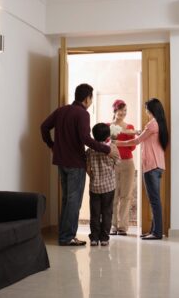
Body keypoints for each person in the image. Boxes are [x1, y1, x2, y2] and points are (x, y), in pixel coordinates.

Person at [41, 83, 118, 246]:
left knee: (67, 200)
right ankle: (67, 237)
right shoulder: (82, 114)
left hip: (61, 161)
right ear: (87, 98)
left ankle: (64, 235)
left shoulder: (61, 110)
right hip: (75, 163)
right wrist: (106, 149)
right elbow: (86, 139)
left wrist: (52, 145)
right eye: (91, 98)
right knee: (73, 201)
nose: (91, 102)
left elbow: (44, 127)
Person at [116, 98, 168, 240]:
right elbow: (142, 136)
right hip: (158, 166)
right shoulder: (158, 124)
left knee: (154, 201)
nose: (145, 111)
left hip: (151, 166)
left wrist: (116, 142)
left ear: (150, 110)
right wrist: (137, 131)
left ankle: (156, 233)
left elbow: (135, 141)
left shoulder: (152, 124)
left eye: (146, 108)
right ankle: (154, 230)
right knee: (154, 200)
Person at [86, 123, 120, 246]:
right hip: (109, 187)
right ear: (107, 136)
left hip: (95, 187)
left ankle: (94, 238)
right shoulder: (112, 148)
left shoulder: (90, 150)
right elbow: (117, 163)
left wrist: (93, 177)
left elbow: (88, 168)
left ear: (93, 136)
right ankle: (104, 238)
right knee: (107, 212)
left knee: (95, 213)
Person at [110, 99, 136, 236]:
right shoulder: (108, 126)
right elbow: (109, 144)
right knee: (113, 196)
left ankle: (123, 227)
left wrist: (118, 142)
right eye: (121, 110)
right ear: (115, 110)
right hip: (113, 163)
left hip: (128, 164)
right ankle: (113, 226)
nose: (123, 113)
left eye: (125, 110)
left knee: (126, 196)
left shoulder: (129, 127)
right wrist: (125, 140)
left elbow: (133, 146)